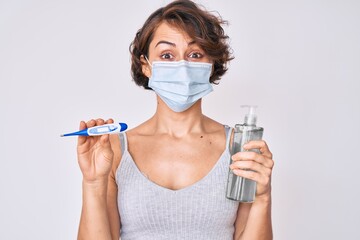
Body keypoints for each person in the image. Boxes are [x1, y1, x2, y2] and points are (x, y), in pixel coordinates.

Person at [76, 0, 274, 239]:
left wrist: (262, 197)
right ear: (146, 66)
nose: (182, 66)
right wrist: (93, 183)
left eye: (195, 54)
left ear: (211, 64)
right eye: (167, 55)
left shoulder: (240, 147)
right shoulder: (114, 149)